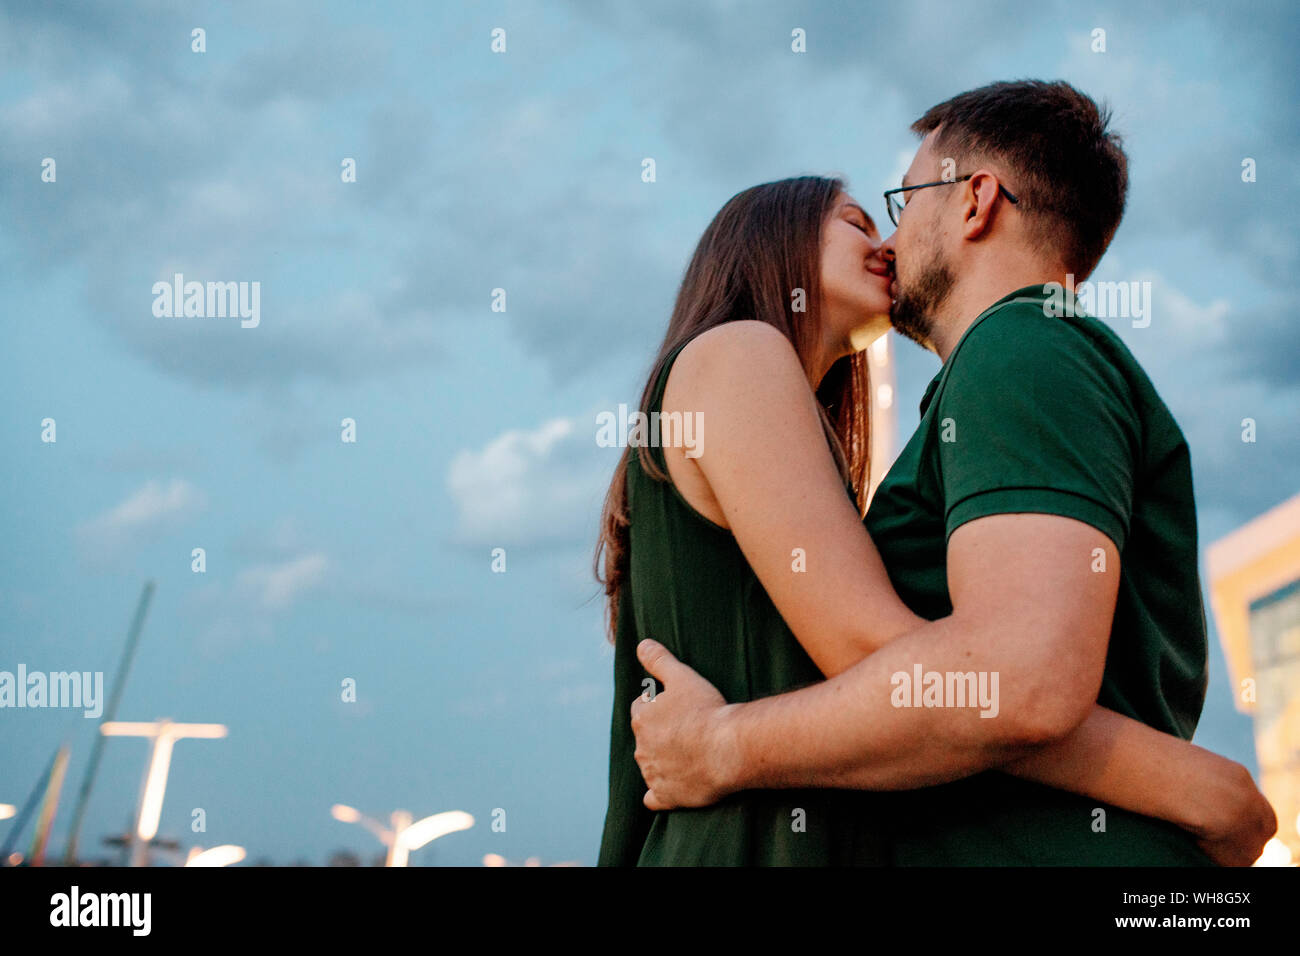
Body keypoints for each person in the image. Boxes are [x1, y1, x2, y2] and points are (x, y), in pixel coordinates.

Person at [601, 83, 1276, 866]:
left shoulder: (1021, 346)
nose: (889, 237)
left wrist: (723, 745)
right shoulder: (743, 353)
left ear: (976, 202)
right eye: (860, 219)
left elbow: (1001, 676)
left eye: (903, 200)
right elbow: (896, 655)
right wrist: (1187, 784)